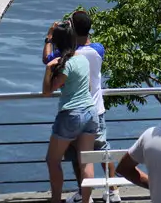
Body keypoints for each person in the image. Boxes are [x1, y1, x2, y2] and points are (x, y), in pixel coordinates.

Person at [43, 11, 121, 203]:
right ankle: (110, 191)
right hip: (94, 111)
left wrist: (49, 37)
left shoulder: (65, 57)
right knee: (96, 154)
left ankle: (68, 196)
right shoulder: (96, 51)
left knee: (58, 159)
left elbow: (47, 62)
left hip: (71, 112)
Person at [42, 21, 98, 203]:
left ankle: (56, 199)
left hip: (71, 114)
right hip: (90, 112)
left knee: (53, 160)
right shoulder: (82, 59)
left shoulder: (64, 65)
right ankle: (86, 201)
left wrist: (49, 69)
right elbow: (89, 87)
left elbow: (47, 91)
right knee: (86, 161)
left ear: (57, 43)